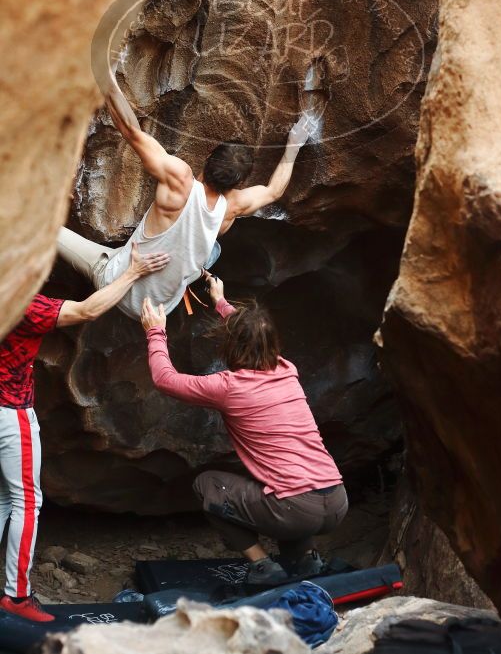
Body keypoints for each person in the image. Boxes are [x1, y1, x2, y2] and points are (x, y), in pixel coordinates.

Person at [140, 274, 348, 587]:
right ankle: (305, 560)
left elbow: (165, 380)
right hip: (336, 501)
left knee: (208, 485)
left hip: (296, 511)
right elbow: (253, 335)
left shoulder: (229, 387)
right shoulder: (285, 370)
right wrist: (220, 302)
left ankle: (262, 566)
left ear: (232, 346)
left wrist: (155, 331)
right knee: (281, 483)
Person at [57, 66, 311, 319]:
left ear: (210, 153)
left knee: (53, 234)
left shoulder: (180, 180)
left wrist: (106, 77)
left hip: (115, 283)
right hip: (157, 311)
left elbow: (131, 132)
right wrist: (294, 145)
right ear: (237, 184)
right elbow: (273, 191)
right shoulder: (233, 207)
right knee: (214, 250)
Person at [0, 243, 169, 622]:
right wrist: (133, 272)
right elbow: (87, 310)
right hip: (10, 412)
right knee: (28, 501)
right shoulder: (23, 304)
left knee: (2, 498)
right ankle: (17, 595)